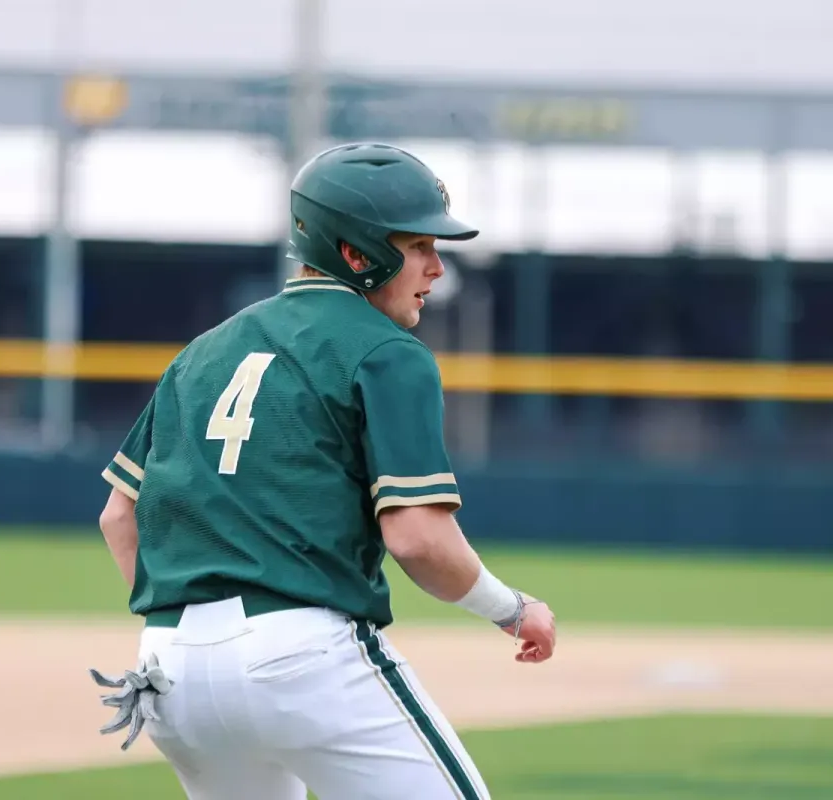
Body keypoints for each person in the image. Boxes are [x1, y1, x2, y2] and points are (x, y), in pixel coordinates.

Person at [91, 141, 556, 800]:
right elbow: (418, 539)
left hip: (169, 667)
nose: (436, 268)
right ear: (358, 254)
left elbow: (119, 515)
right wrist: (511, 609)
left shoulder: (202, 352)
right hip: (298, 657)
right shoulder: (388, 351)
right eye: (420, 246)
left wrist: (200, 634)